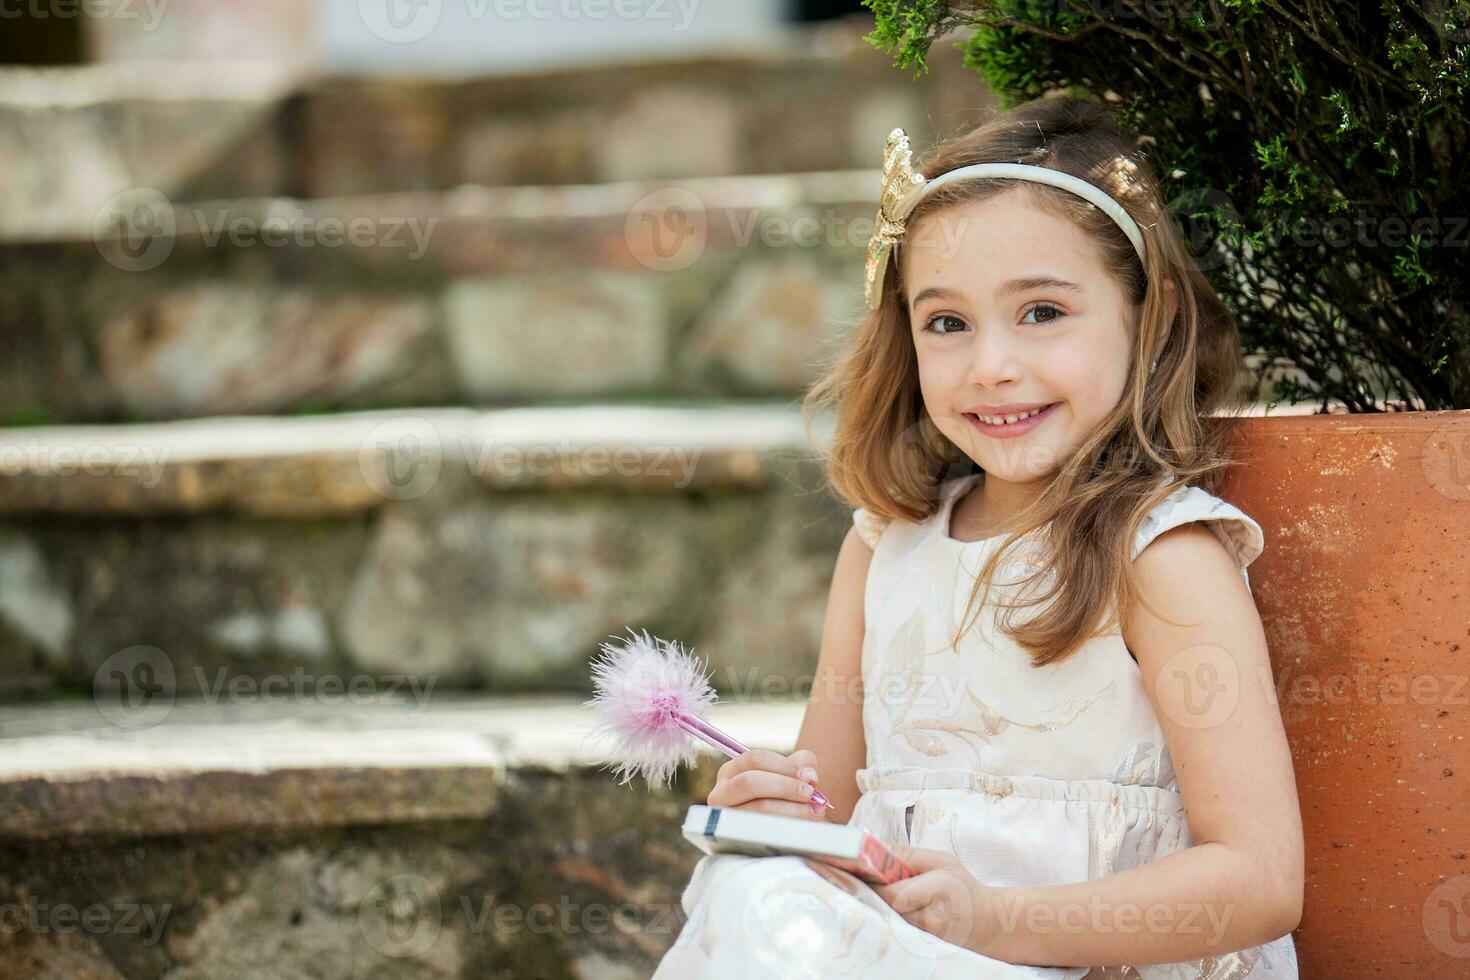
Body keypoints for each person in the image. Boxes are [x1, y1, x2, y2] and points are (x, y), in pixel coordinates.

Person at [652, 94, 1303, 979]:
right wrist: (773, 814)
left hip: (1084, 965)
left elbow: (1261, 879)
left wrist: (995, 921)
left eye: (1042, 312)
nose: (992, 365)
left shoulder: (1161, 560)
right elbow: (828, 814)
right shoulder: (885, 548)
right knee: (750, 892)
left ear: (1144, 325)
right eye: (947, 323)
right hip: (918, 955)